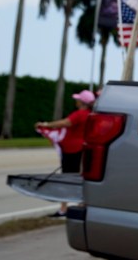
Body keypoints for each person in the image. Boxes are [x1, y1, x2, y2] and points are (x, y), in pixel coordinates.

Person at [35, 89, 95, 217]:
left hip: (72, 149)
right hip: (82, 148)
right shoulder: (90, 114)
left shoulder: (80, 114)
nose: (76, 101)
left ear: (81, 102)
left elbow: (65, 123)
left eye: (77, 99)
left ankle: (63, 208)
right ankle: (81, 203)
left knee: (66, 178)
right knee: (79, 176)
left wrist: (46, 124)